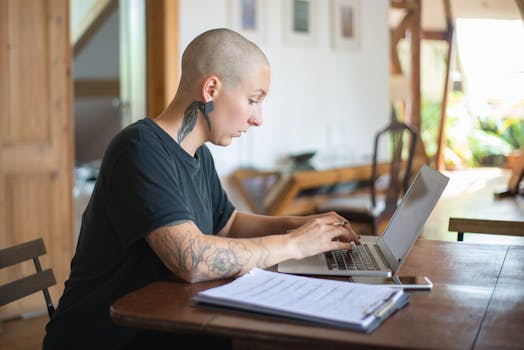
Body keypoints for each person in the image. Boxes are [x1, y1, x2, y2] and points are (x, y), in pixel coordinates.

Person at [43, 28, 360, 349]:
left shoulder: (199, 155)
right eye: (253, 101)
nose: (258, 119)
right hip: (106, 337)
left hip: (166, 324)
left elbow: (229, 224)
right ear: (211, 88)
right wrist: (294, 245)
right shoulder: (139, 149)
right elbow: (192, 260)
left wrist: (303, 225)